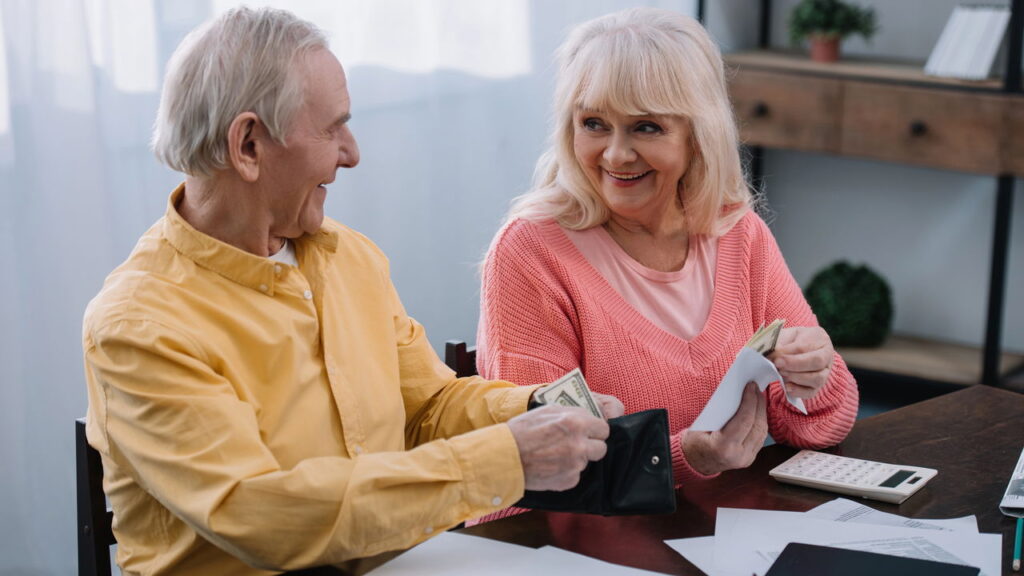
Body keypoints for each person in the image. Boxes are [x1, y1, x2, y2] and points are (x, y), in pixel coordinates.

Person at [82, 7, 623, 575]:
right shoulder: (138, 325)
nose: (352, 152)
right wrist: (505, 459)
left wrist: (536, 410)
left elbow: (428, 408)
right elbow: (256, 511)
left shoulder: (349, 257)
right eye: (331, 127)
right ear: (248, 145)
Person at [475, 7, 858, 521]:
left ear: (696, 135)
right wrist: (685, 458)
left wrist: (815, 375)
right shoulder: (531, 253)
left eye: (645, 128)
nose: (615, 155)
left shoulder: (737, 233)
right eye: (593, 123)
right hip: (566, 546)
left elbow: (819, 429)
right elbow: (539, 476)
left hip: (710, 533)